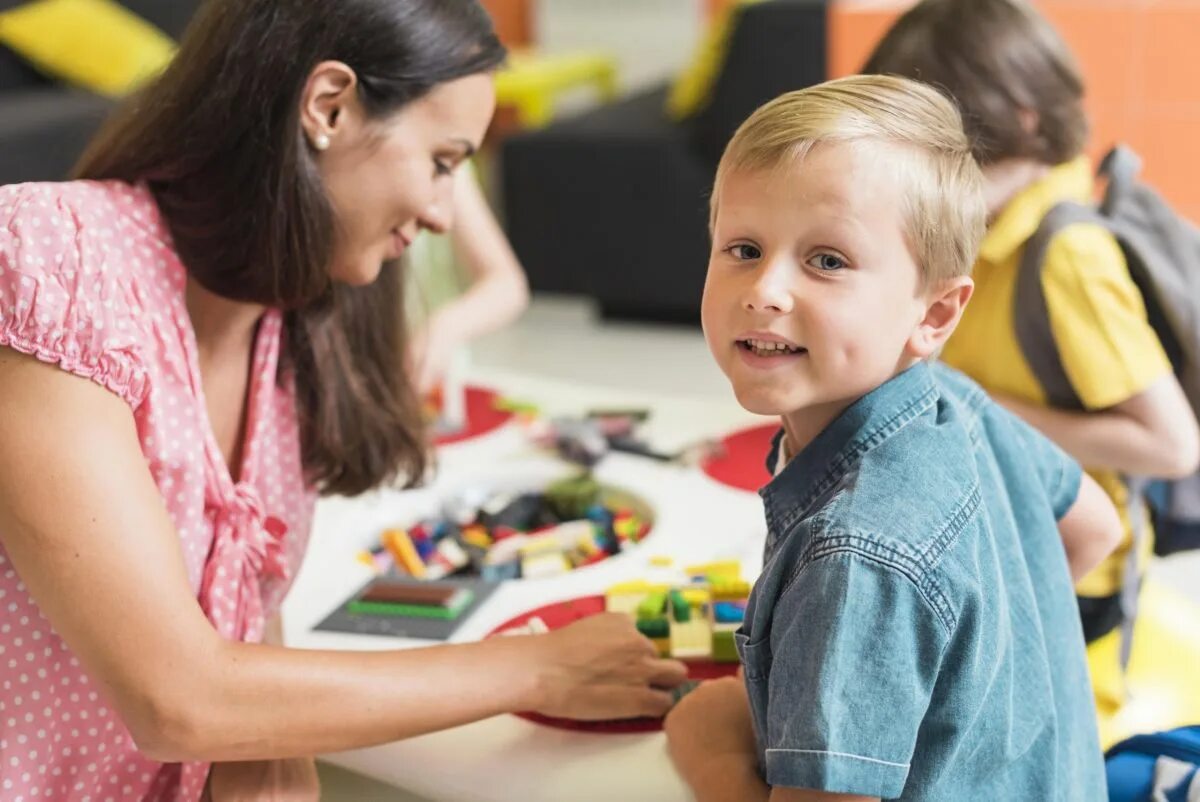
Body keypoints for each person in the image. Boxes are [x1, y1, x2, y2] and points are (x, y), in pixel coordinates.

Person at [0, 1, 686, 799]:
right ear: (328, 107)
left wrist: (263, 744)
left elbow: (241, 607)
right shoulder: (56, 257)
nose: (439, 213)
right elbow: (175, 697)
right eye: (441, 160)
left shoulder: (295, 329)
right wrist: (532, 668)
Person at [664, 75, 1121, 801]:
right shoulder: (957, 399)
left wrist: (710, 753)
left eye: (827, 260)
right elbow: (1095, 527)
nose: (765, 289)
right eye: (743, 248)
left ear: (935, 314)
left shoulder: (853, 556)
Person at [862, 0, 1200, 705]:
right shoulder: (986, 227)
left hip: (1074, 570)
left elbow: (1173, 446)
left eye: (940, 155)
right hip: (994, 534)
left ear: (1019, 121)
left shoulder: (1065, 256)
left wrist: (982, 408)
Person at [406, 163, 530, 396]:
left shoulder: (451, 166)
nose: (439, 218)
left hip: (433, 384)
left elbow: (508, 283)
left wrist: (442, 328)